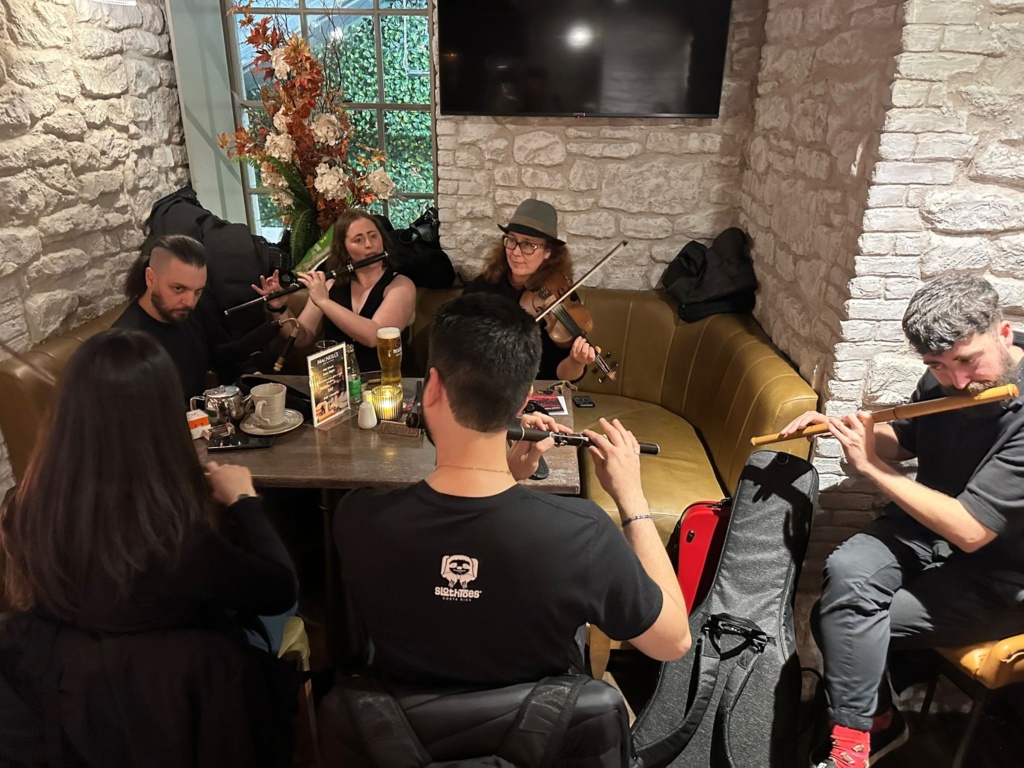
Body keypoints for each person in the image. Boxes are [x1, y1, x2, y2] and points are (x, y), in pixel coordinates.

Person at [334, 293, 690, 687]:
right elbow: (673, 641)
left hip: (400, 724)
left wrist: (506, 474)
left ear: (431, 388)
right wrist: (632, 500)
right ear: (523, 400)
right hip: (535, 726)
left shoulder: (357, 518)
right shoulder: (583, 534)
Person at [779, 275, 1024, 768]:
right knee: (847, 573)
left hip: (999, 574)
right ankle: (877, 724)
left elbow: (971, 531)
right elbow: (907, 439)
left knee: (839, 620)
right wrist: (849, 431)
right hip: (922, 531)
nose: (957, 382)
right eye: (937, 365)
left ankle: (858, 740)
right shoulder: (942, 376)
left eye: (967, 361)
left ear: (1003, 333)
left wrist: (870, 467)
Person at [0, 328, 299, 648]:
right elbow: (280, 591)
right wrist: (244, 500)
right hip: (183, 670)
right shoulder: (170, 537)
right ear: (163, 416)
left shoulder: (21, 507)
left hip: (76, 669)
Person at [114, 234, 281, 401]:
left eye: (198, 291)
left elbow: (223, 355)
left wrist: (251, 375)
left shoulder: (191, 311)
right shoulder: (125, 345)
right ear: (150, 278)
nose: (189, 302)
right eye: (178, 289)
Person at [255, 210, 416, 374]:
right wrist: (279, 309)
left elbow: (374, 337)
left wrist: (324, 302)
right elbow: (302, 338)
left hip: (389, 381)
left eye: (373, 236)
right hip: (338, 382)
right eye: (358, 240)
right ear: (344, 250)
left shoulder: (401, 286)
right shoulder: (330, 285)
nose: (369, 244)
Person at [463, 198, 599, 382]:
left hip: (534, 389)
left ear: (548, 252)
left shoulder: (561, 296)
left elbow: (561, 376)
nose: (516, 252)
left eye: (529, 244)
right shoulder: (483, 287)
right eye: (512, 240)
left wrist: (576, 361)